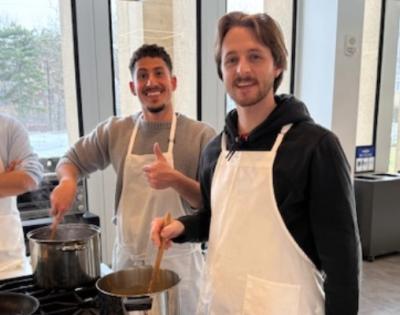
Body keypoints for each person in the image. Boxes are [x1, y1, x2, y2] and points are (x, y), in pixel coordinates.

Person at [151, 12, 361, 315]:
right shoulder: (215, 150)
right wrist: (180, 227)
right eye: (231, 59)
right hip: (220, 304)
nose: (242, 69)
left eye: (255, 56)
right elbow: (216, 220)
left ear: (277, 65)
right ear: (221, 71)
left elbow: (343, 264)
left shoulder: (315, 147)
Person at [50, 44, 216, 314]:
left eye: (159, 73)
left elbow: (210, 204)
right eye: (142, 76)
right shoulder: (116, 131)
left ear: (172, 82)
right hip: (128, 266)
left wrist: (175, 179)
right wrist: (68, 182)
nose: (151, 82)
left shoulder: (200, 135)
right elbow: (71, 160)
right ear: (132, 87)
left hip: (179, 268)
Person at [0, 113, 43, 277]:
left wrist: (16, 180)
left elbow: (28, 179)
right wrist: (6, 180)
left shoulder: (8, 128)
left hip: (7, 265)